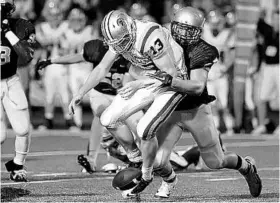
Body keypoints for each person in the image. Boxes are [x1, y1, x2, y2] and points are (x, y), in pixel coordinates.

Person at [138, 7, 262, 198]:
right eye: (181, 29)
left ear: (198, 31)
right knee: (158, 161)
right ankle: (169, 181)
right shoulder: (163, 42)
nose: (184, 35)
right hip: (170, 110)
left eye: (190, 30)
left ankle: (246, 166)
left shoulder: (203, 50)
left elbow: (196, 87)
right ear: (173, 26)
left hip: (195, 110)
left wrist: (170, 81)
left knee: (215, 162)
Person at [68, 10, 187, 190]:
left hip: (173, 82)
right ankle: (135, 158)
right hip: (147, 78)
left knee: (144, 129)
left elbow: (170, 74)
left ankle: (148, 174)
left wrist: (139, 84)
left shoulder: (149, 36)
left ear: (130, 28)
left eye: (122, 41)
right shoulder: (120, 37)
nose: (121, 47)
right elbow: (101, 68)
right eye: (116, 43)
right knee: (108, 118)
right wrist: (80, 93)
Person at [37, 39, 143, 172]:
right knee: (101, 115)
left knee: (140, 127)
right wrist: (52, 61)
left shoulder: (130, 54)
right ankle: (91, 158)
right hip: (101, 94)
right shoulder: (101, 51)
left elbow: (134, 78)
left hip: (122, 96)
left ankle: (152, 157)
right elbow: (78, 57)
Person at [1, 0, 35, 182]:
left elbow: (27, 56)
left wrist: (8, 33)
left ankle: (18, 165)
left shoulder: (19, 26)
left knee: (22, 129)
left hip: (10, 80)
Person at [35, 0, 73, 129]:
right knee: (49, 94)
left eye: (56, 16)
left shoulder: (66, 26)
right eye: (51, 16)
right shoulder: (42, 27)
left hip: (63, 64)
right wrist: (52, 40)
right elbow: (41, 42)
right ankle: (48, 119)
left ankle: (69, 120)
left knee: (65, 94)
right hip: (48, 65)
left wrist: (58, 40)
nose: (54, 19)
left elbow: (68, 44)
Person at [253, 9, 279, 135]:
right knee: (262, 97)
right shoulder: (269, 31)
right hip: (268, 67)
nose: (276, 22)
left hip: (279, 66)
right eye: (274, 19)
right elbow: (257, 22)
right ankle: (262, 124)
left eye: (278, 19)